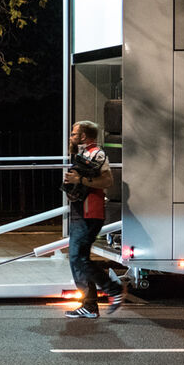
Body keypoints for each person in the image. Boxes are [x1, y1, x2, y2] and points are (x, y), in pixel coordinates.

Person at [62, 120, 126, 319]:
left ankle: (113, 290)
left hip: (90, 213)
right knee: (76, 260)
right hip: (81, 212)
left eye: (74, 134)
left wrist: (79, 180)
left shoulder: (97, 154)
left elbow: (107, 180)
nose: (71, 137)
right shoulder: (83, 154)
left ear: (83, 136)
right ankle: (89, 305)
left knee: (79, 259)